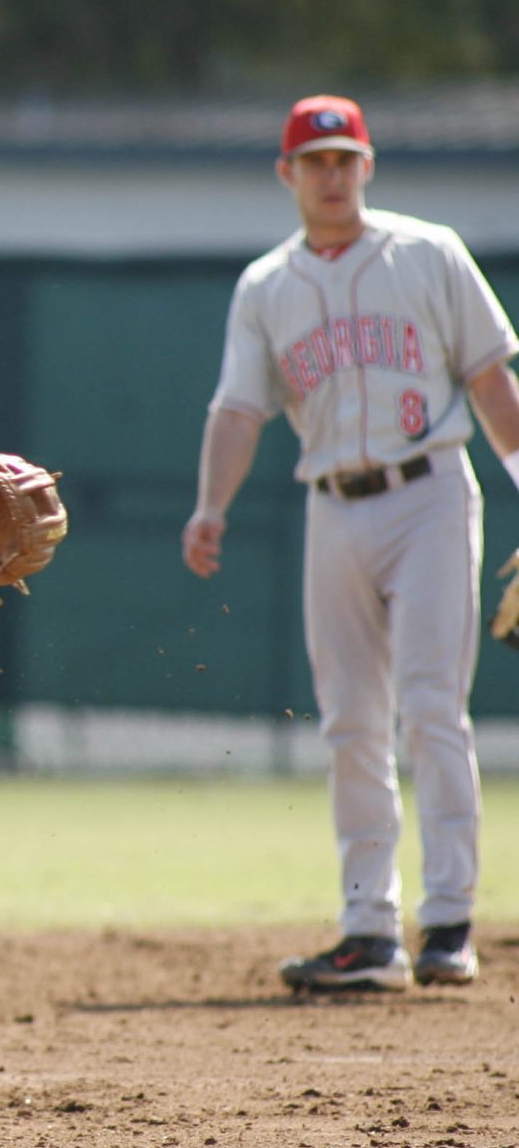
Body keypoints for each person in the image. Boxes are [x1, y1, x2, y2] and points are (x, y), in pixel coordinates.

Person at [183, 94, 519, 993]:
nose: (332, 175)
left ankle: (448, 922)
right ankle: (371, 930)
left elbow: (491, 378)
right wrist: (210, 506)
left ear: (367, 166)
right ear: (287, 174)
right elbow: (238, 408)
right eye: (315, 161)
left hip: (431, 494)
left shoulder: (429, 252)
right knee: (350, 723)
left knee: (429, 707)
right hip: (332, 503)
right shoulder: (266, 285)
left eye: (346, 159)